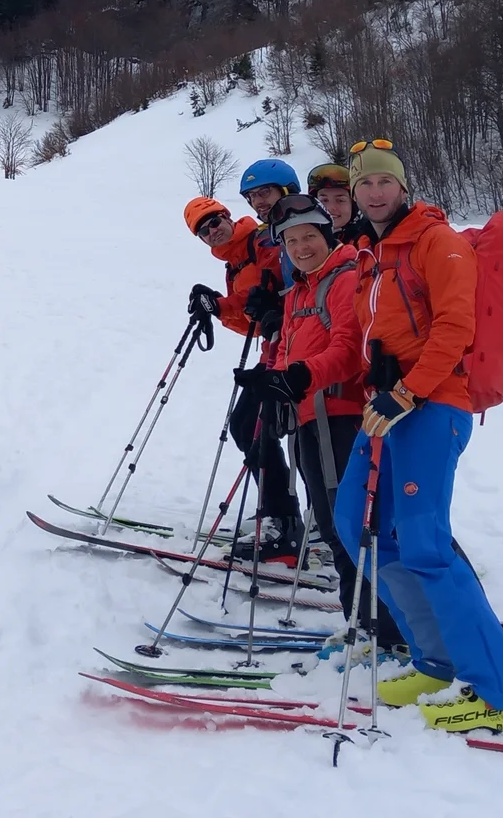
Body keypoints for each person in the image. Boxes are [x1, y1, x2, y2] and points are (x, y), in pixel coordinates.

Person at [332, 139, 503, 734]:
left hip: (432, 405)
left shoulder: (436, 242)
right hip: (387, 406)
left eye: (384, 181)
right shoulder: (370, 254)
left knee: (426, 546)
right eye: (365, 183)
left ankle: (498, 697)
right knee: (355, 524)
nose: (374, 192)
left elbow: (455, 327)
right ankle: (436, 661)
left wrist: (408, 390)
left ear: (403, 186)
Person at [236, 193, 404, 648]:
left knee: (352, 527)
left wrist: (299, 377)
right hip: (311, 419)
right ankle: (363, 624)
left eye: (309, 236)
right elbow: (291, 350)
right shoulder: (301, 289)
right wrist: (272, 382)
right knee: (332, 527)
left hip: (343, 421)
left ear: (327, 236)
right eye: (291, 241)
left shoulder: (344, 280)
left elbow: (349, 349)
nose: (301, 247)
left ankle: (383, 630)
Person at [188, 160, 303, 559]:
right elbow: (252, 318)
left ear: (227, 216)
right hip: (277, 348)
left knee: (258, 427)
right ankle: (283, 516)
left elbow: (282, 288)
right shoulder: (236, 259)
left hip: (296, 350)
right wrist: (220, 307)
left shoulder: (265, 240)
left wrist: (227, 305)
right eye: (203, 230)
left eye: (215, 220)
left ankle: (285, 521)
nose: (212, 230)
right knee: (248, 426)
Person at [308, 160, 374, 248]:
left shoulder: (368, 241)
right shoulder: (304, 238)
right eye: (324, 200)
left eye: (340, 200)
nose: (331, 208)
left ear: (354, 204)